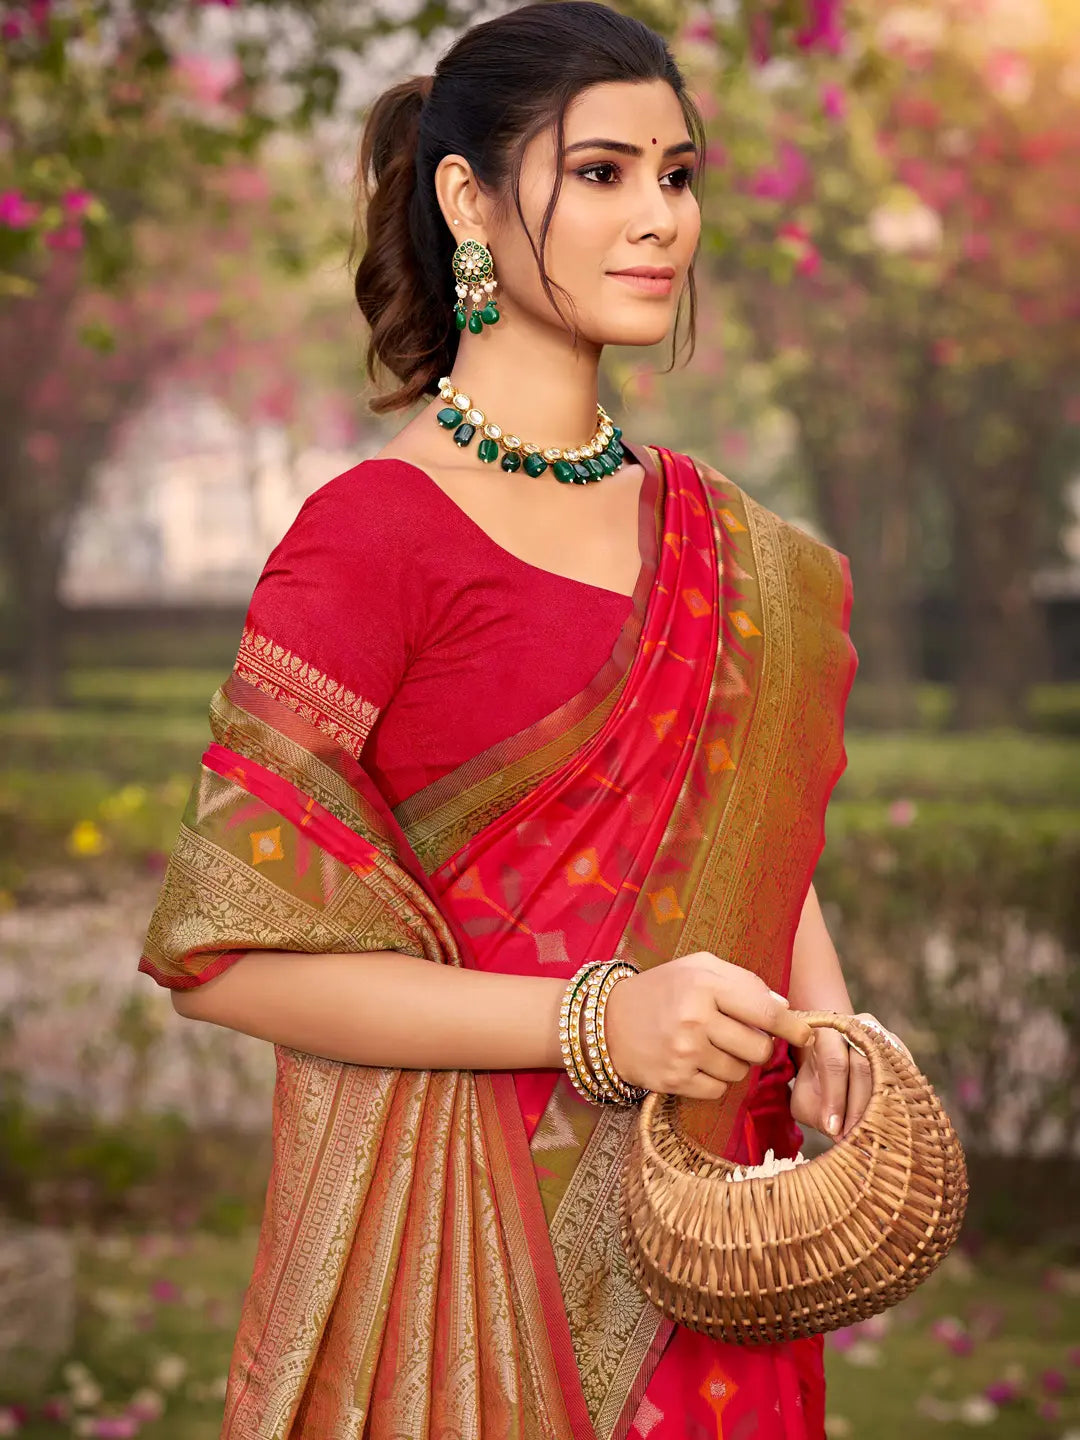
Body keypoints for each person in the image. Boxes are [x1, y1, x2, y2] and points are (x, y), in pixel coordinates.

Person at [137, 4, 885, 1435]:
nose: (660, 216)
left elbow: (743, 818)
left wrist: (830, 1024)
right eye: (601, 173)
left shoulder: (733, 546)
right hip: (466, 1267)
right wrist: (601, 1024)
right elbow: (225, 954)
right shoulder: (372, 541)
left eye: (678, 174)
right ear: (467, 198)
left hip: (709, 1244)